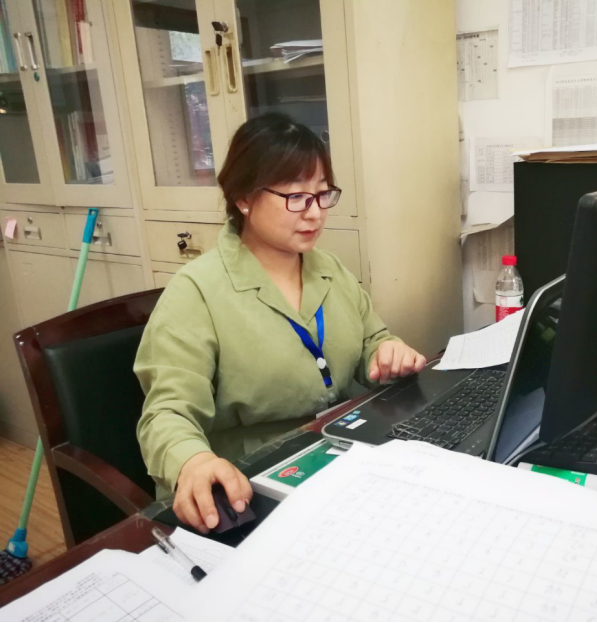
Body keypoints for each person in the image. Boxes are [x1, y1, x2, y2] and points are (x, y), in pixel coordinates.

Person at [135, 114, 426, 533]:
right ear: (244, 197)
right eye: (296, 197)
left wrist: (385, 351)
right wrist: (193, 461)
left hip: (338, 458)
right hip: (248, 486)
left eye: (322, 195)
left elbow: (370, 340)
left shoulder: (329, 270)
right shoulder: (196, 291)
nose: (315, 214)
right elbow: (167, 413)